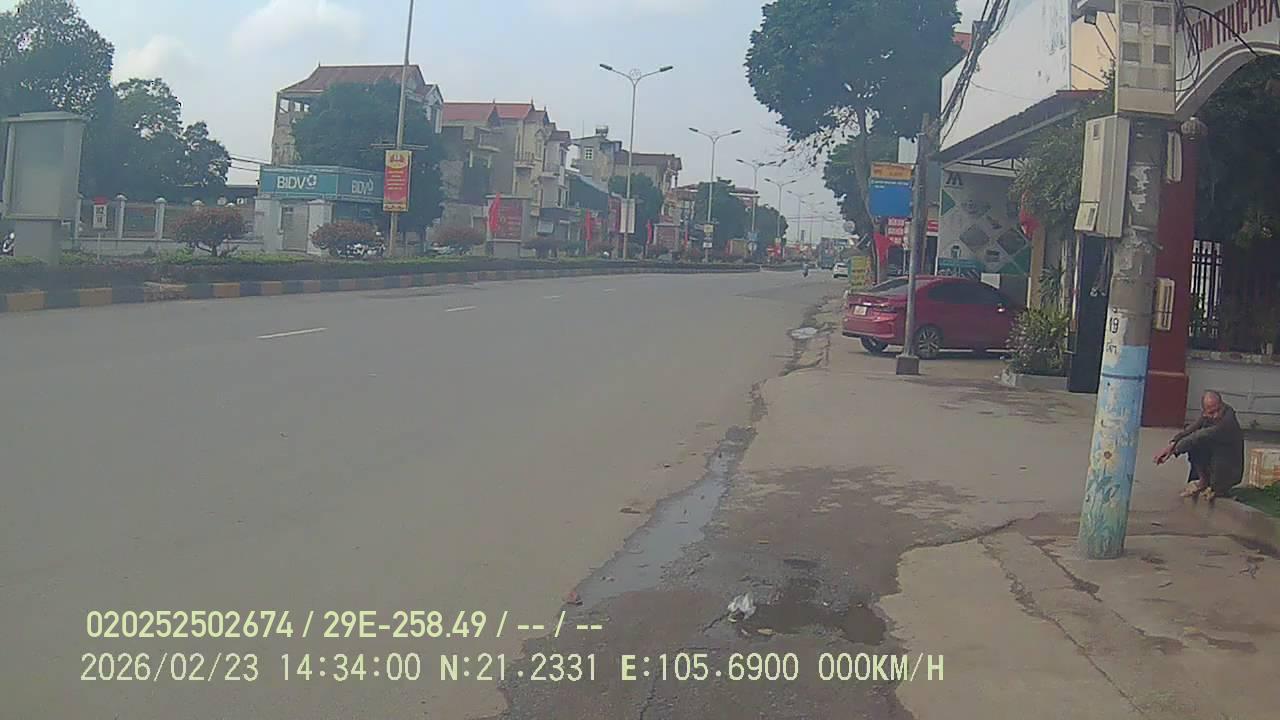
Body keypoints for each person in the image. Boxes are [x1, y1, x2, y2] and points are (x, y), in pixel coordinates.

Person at [1154, 390, 1244, 500]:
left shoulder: (1227, 421)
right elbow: (1191, 429)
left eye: (1218, 410)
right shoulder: (1208, 415)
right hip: (1216, 460)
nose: (1215, 415)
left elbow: (1199, 435)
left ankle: (1217, 487)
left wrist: (1174, 451)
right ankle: (1203, 481)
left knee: (1197, 441)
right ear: (1205, 411)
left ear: (1222, 405)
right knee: (1195, 445)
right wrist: (1171, 444)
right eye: (1211, 412)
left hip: (1230, 468)